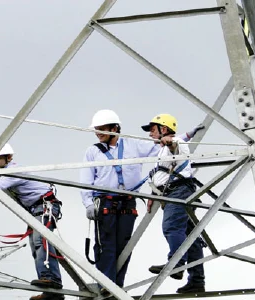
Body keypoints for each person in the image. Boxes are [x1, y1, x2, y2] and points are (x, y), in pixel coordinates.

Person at [79, 109, 203, 296]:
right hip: (105, 202)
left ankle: (116, 285)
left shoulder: (133, 145)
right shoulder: (92, 152)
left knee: (124, 246)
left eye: (102, 128)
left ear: (115, 128)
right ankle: (106, 283)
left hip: (128, 204)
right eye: (97, 129)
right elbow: (86, 179)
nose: (99, 132)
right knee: (106, 245)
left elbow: (166, 146)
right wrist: (88, 203)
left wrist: (185, 136)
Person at [142, 114, 205, 294]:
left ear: (164, 129)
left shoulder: (172, 144)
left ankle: (176, 264)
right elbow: (178, 144)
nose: (150, 134)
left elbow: (175, 146)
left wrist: (170, 142)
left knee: (171, 227)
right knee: (190, 238)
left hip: (178, 191)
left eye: (153, 130)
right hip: (177, 191)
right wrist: (154, 193)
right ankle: (197, 280)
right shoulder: (165, 147)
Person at [0, 144, 64, 300]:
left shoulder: (13, 171)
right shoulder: (5, 173)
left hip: (45, 206)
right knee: (36, 246)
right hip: (36, 209)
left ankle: (51, 278)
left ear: (9, 158)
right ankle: (51, 293)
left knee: (42, 241)